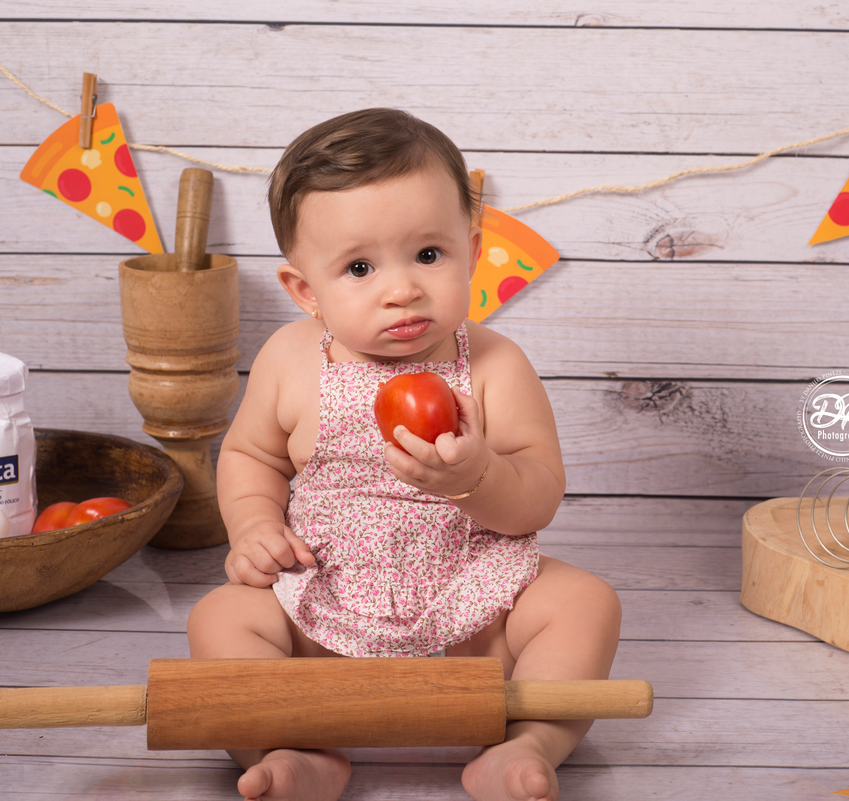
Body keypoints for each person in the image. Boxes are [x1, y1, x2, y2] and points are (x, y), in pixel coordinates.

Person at [186, 108, 622, 801]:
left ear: (472, 249)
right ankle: (293, 746)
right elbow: (250, 456)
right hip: (321, 602)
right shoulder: (290, 360)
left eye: (428, 254)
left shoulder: (495, 364)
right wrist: (254, 527)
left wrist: (478, 476)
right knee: (220, 619)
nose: (403, 289)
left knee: (585, 602)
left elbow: (537, 494)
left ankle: (527, 740)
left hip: (474, 608)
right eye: (359, 267)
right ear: (306, 290)